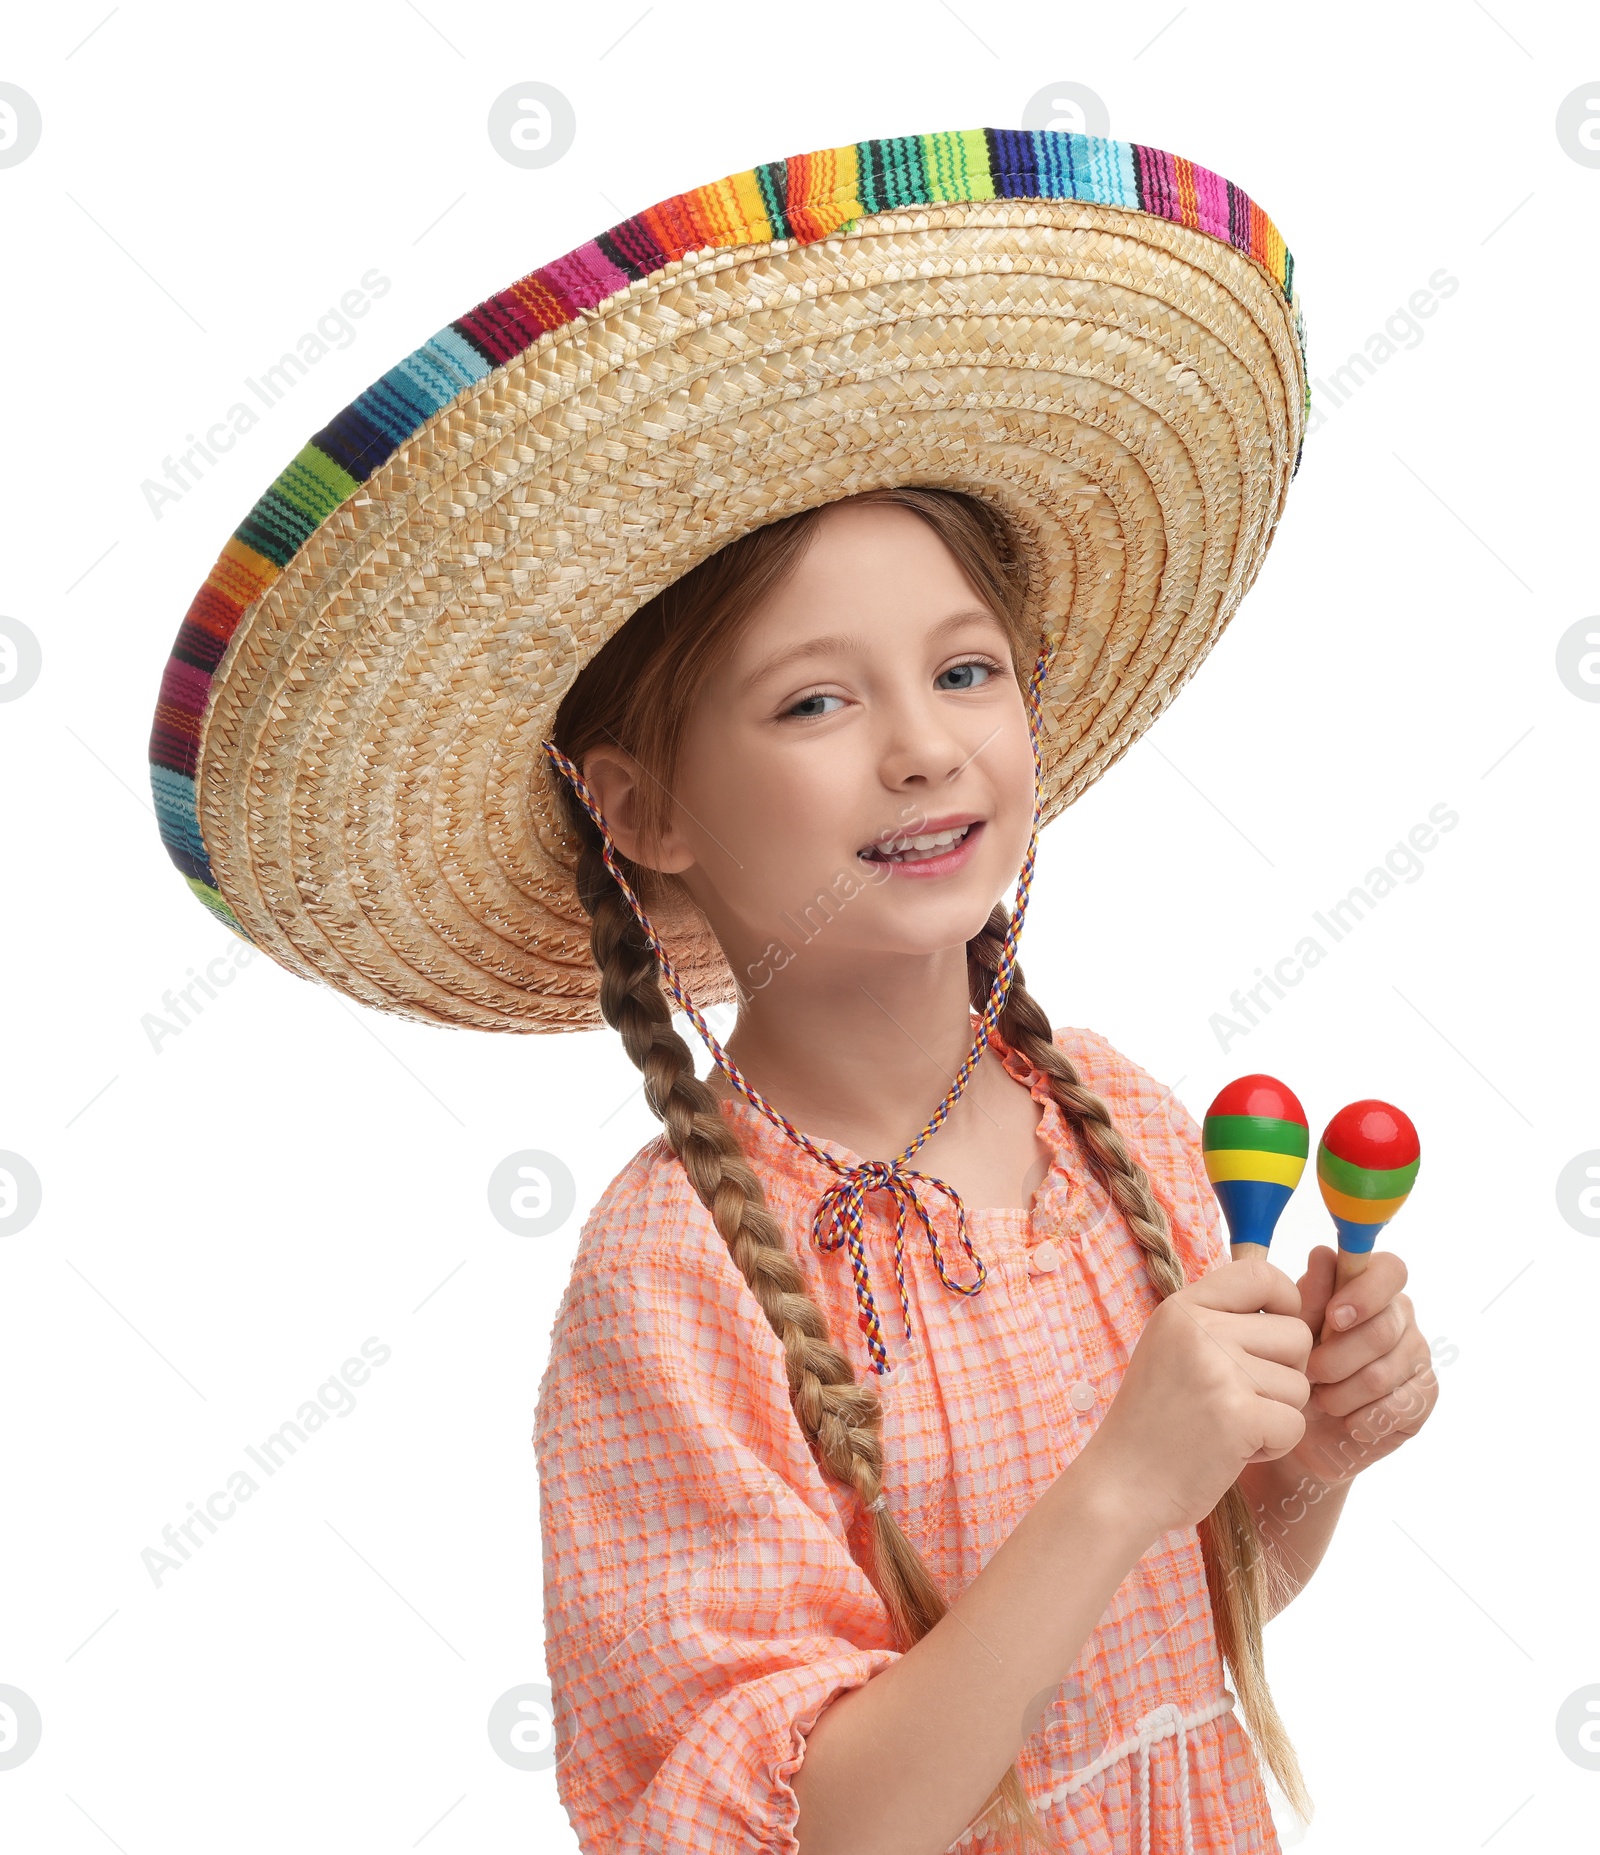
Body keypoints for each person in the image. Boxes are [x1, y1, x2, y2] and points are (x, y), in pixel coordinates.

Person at [144, 127, 1439, 1854]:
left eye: (965, 669)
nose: (923, 747)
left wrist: (1306, 1464)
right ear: (641, 808)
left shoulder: (1115, 1121)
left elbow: (1177, 1618)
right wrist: (1128, 1470)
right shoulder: (677, 1277)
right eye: (815, 704)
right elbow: (817, 1826)